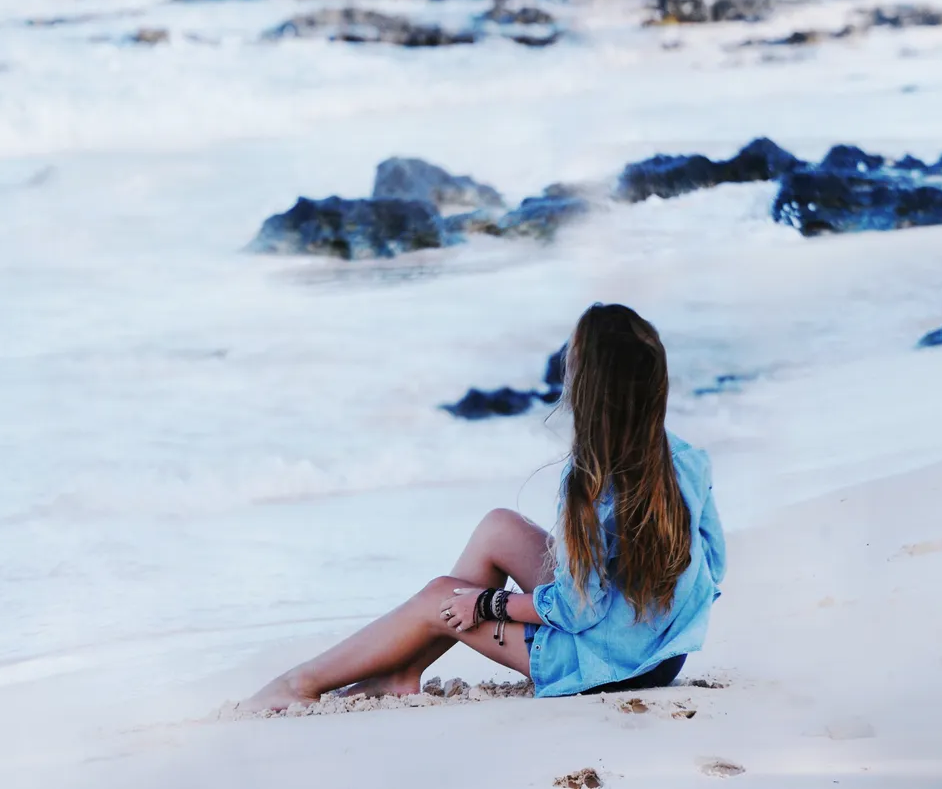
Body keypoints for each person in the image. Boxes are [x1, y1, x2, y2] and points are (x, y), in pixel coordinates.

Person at [241, 303, 727, 712]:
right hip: (665, 653)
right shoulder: (686, 459)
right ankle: (402, 672)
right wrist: (639, 609)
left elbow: (577, 612)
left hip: (604, 667)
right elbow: (714, 568)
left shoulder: (589, 484)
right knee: (499, 527)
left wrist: (488, 604)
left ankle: (299, 684)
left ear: (583, 389)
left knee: (441, 597)